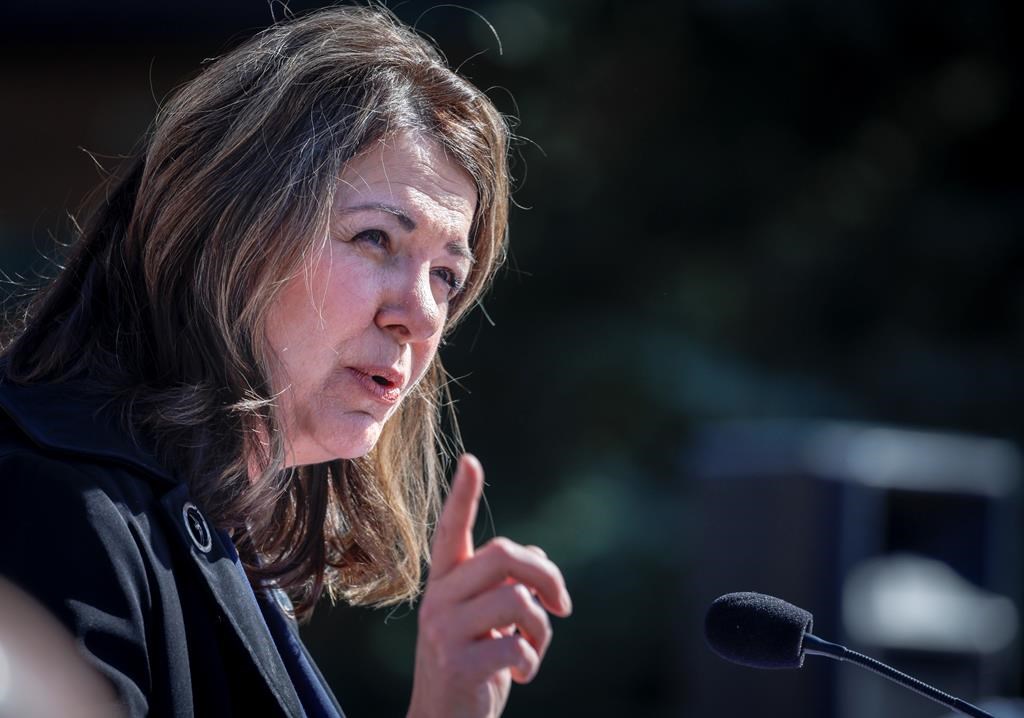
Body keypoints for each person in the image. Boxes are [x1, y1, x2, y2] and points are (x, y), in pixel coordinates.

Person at [0, 6, 571, 717]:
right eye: (374, 239)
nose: (423, 316)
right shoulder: (49, 503)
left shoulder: (214, 533)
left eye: (448, 277)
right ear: (229, 232)